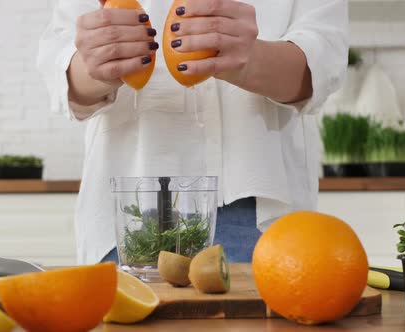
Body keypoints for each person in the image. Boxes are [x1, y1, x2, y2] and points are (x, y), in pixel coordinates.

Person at [38, 0, 348, 264]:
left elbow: (324, 55)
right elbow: (61, 62)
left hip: (259, 210)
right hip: (125, 215)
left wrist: (250, 60)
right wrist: (97, 65)